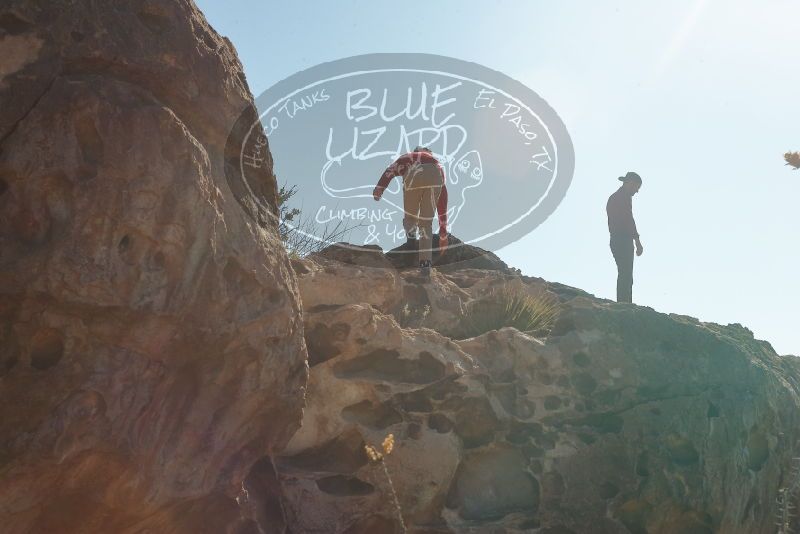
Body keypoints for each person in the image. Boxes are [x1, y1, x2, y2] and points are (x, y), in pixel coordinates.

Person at [373, 146, 448, 276]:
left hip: (414, 171)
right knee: (426, 223)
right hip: (435, 174)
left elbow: (390, 171)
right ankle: (425, 264)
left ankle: (411, 238)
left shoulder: (409, 156)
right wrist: (443, 231)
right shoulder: (437, 163)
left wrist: (380, 187)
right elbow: (442, 200)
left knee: (410, 215)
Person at [606, 171, 643, 303]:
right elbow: (628, 220)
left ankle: (625, 303)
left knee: (626, 274)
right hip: (621, 239)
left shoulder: (618, 197)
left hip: (618, 239)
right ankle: (624, 304)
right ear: (629, 183)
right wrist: (637, 240)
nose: (636, 191)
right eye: (636, 187)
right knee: (626, 274)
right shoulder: (621, 198)